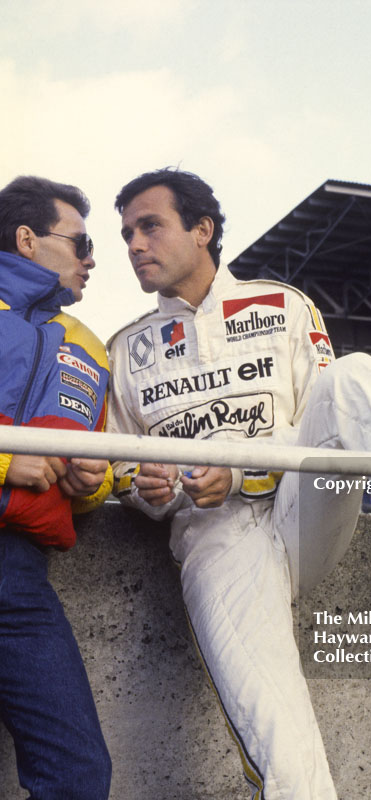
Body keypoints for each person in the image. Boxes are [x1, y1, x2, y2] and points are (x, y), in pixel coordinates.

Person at [106, 167, 371, 800]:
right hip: (216, 538)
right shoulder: (123, 348)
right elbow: (121, 472)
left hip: (306, 505)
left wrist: (244, 468)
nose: (134, 244)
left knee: (352, 377)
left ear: (202, 231)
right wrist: (151, 488)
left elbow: (325, 425)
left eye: (150, 226)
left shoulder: (283, 305)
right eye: (126, 234)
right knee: (281, 741)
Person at [0, 176, 113, 799]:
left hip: (20, 577)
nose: (92, 258)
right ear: (27, 239)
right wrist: (2, 461)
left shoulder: (89, 346)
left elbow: (100, 473)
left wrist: (90, 481)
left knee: (79, 773)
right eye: (82, 242)